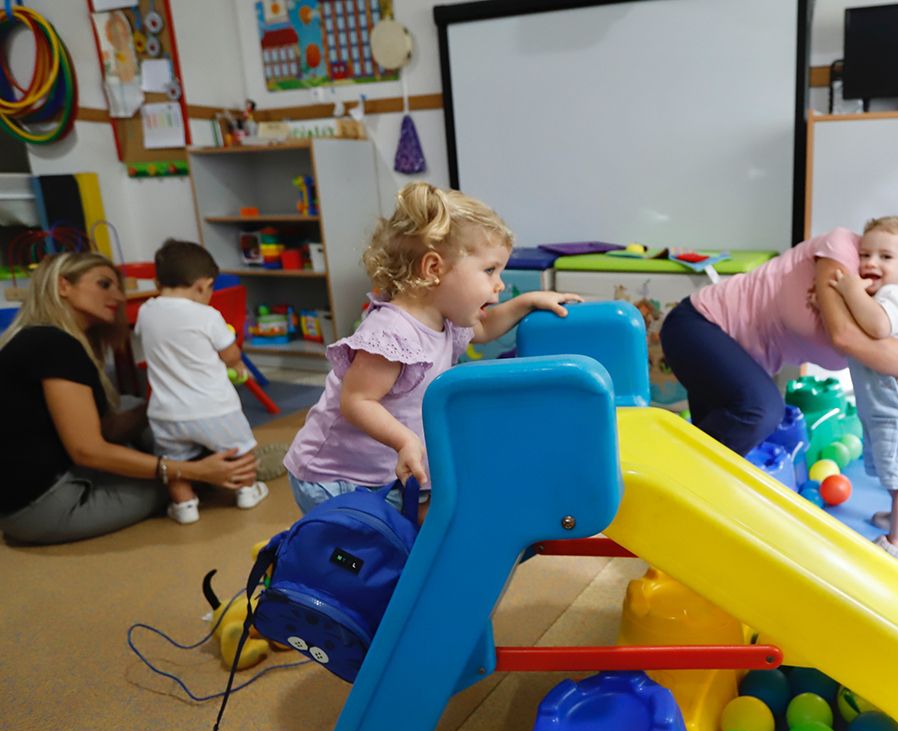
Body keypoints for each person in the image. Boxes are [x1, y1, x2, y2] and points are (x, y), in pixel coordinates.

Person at [284, 182, 581, 514]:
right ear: (433, 268)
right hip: (338, 479)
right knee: (385, 552)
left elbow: (482, 328)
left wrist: (527, 302)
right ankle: (303, 556)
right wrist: (404, 440)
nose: (499, 284)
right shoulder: (392, 333)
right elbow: (357, 401)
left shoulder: (447, 319)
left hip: (387, 468)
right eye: (489, 270)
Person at [659, 222, 898, 496]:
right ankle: (665, 491)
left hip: (730, 360)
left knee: (714, 451)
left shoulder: (887, 316)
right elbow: (845, 337)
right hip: (699, 326)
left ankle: (664, 499)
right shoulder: (845, 250)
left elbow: (895, 400)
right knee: (761, 411)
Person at [0, 252, 257, 545]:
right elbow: (88, 450)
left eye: (119, 288)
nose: (119, 297)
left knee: (140, 410)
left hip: (42, 489)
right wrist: (192, 470)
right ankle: (226, 467)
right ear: (63, 286)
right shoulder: (53, 345)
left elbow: (105, 429)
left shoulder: (46, 338)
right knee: (180, 483)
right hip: (45, 506)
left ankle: (215, 463)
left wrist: (172, 402)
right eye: (104, 284)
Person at [828, 217, 898, 566]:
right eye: (865, 254)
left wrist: (848, 290)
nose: (870, 263)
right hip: (890, 409)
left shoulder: (894, 295)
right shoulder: (879, 295)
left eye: (885, 257)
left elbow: (877, 325)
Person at [134, 240, 269, 525]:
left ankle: (184, 506)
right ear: (202, 285)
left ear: (159, 281)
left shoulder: (146, 312)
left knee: (176, 463)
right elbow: (230, 353)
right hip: (214, 409)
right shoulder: (207, 316)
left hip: (166, 413)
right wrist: (237, 366)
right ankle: (247, 490)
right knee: (240, 450)